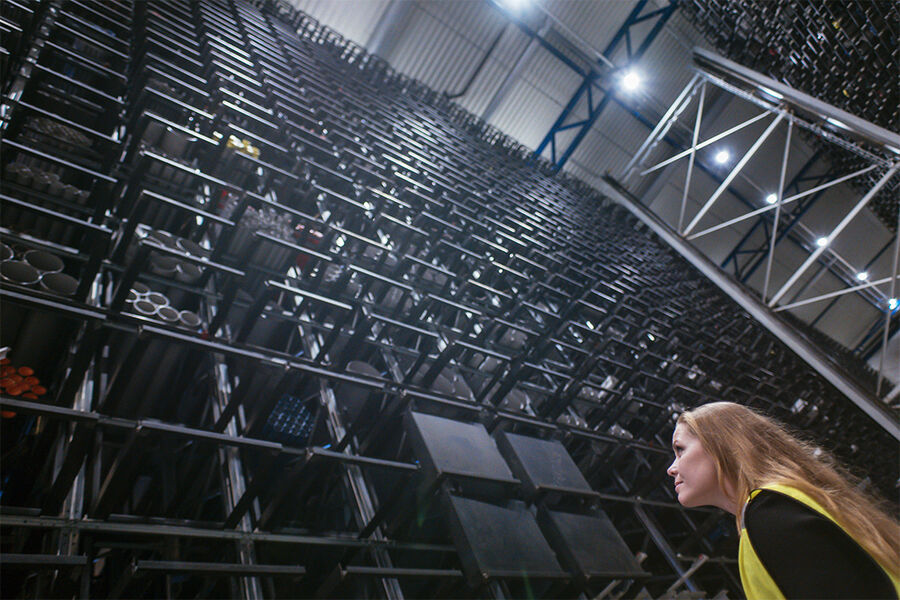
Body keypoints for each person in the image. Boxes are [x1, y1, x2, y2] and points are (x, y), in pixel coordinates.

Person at [666, 401, 899, 599]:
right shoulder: (779, 506)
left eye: (680, 449)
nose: (671, 469)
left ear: (720, 445)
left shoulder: (769, 516)